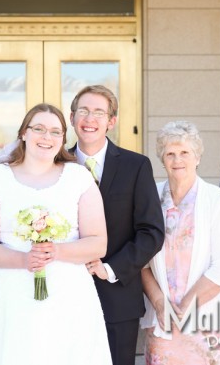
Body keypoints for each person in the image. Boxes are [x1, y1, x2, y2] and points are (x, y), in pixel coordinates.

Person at [0, 103, 112, 365]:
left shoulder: (79, 177)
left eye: (56, 132)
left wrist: (56, 251)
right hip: (13, 293)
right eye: (39, 129)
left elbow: (98, 243)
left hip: (69, 294)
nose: (47, 137)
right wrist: (24, 260)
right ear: (24, 133)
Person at [69, 85, 165, 365]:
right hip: (65, 295)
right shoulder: (56, 164)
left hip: (118, 298)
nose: (90, 119)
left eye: (99, 112)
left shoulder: (136, 166)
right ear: (73, 117)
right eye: (83, 111)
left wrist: (110, 268)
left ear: (111, 121)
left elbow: (151, 232)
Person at [140, 121, 220, 365]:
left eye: (185, 152)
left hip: (211, 321)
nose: (178, 160)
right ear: (162, 159)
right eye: (170, 154)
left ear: (197, 157)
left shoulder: (217, 200)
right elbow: (141, 263)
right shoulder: (149, 198)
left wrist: (185, 308)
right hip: (163, 321)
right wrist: (160, 304)